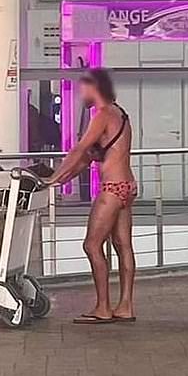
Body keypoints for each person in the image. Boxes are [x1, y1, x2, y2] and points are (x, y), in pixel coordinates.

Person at [48, 69, 136, 324]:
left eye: (82, 89)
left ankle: (103, 307)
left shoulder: (103, 114)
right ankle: (126, 305)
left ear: (93, 87)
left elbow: (80, 149)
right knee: (124, 247)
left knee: (92, 245)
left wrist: (54, 178)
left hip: (112, 188)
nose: (80, 94)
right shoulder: (120, 113)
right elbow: (90, 157)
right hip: (128, 186)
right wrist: (64, 176)